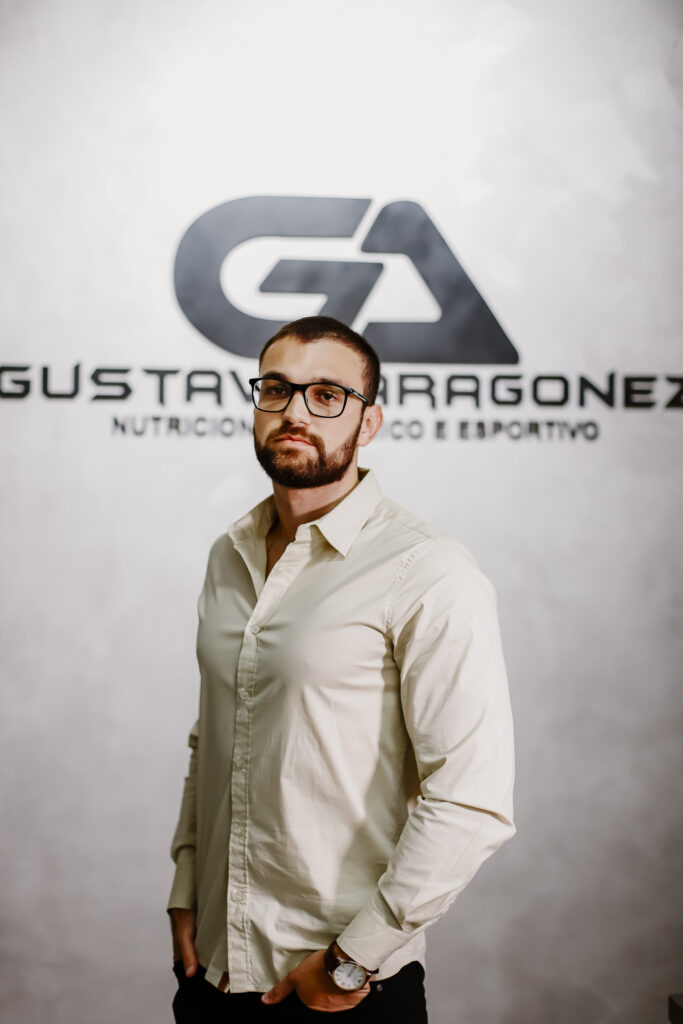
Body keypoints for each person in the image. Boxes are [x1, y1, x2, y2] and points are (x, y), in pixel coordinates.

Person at [167, 315, 515, 1022]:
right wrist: (186, 886)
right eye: (276, 389)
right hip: (213, 975)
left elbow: (469, 800)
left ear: (368, 422)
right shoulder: (228, 554)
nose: (295, 412)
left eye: (327, 395)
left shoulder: (428, 569)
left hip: (341, 991)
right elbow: (214, 737)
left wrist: (352, 960)